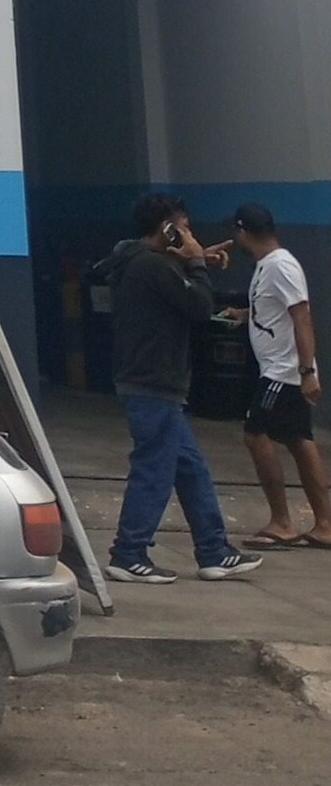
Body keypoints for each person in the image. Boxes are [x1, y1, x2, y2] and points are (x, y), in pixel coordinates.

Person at [100, 191, 264, 584]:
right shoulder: (152, 267)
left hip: (150, 383)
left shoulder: (139, 261)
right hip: (154, 384)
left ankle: (214, 550)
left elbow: (173, 286)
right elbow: (200, 307)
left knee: (191, 470)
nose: (190, 235)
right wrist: (196, 264)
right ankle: (129, 553)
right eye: (185, 229)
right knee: (154, 471)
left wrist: (195, 258)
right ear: (167, 230)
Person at [228, 204, 331, 550]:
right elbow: (277, 311)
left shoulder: (280, 266)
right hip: (283, 369)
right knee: (298, 439)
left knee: (255, 433)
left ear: (243, 232)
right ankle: (325, 524)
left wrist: (307, 371)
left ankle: (282, 521)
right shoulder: (267, 266)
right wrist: (245, 314)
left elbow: (301, 317)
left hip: (282, 372)